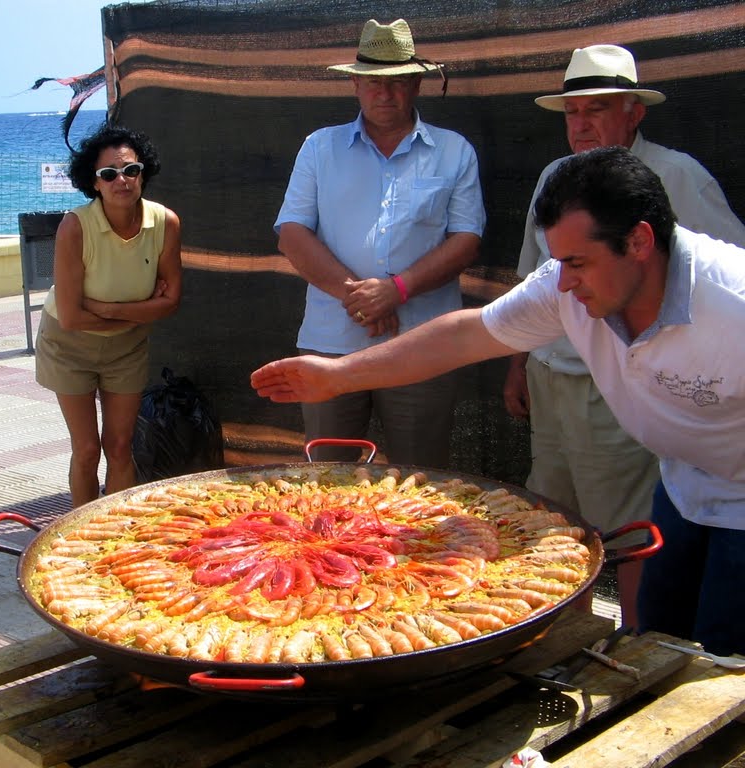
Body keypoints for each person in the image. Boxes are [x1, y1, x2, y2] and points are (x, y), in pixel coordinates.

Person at [253, 146, 745, 655]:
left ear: (640, 240)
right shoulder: (566, 283)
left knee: (723, 664)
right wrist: (337, 375)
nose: (566, 282)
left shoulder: (734, 302)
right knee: (662, 637)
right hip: (684, 484)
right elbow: (466, 336)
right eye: (558, 262)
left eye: (578, 262)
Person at [501, 44, 745, 625]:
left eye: (598, 109)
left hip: (615, 383)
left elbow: (728, 265)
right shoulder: (555, 177)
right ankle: (568, 639)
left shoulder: (676, 175)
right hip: (552, 374)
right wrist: (519, 361)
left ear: (634, 112)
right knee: (550, 517)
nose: (581, 125)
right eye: (572, 112)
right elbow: (533, 277)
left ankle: (632, 640)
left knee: (625, 524)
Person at [273, 18, 484, 467]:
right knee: (327, 479)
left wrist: (397, 290)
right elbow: (291, 233)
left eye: (397, 82)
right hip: (332, 341)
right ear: (354, 83)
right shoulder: (318, 148)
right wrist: (358, 295)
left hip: (423, 344)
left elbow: (467, 240)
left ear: (418, 84)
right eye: (373, 81)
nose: (384, 94)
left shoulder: (454, 151)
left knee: (420, 479)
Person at [35, 125, 181, 509]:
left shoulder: (165, 223)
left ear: (143, 173)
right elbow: (70, 317)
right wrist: (140, 311)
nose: (122, 181)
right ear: (94, 183)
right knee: (86, 449)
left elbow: (172, 301)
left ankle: (116, 528)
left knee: (119, 445)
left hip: (126, 347)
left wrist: (109, 310)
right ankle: (79, 531)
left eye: (131, 170)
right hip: (68, 347)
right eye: (109, 174)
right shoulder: (75, 226)